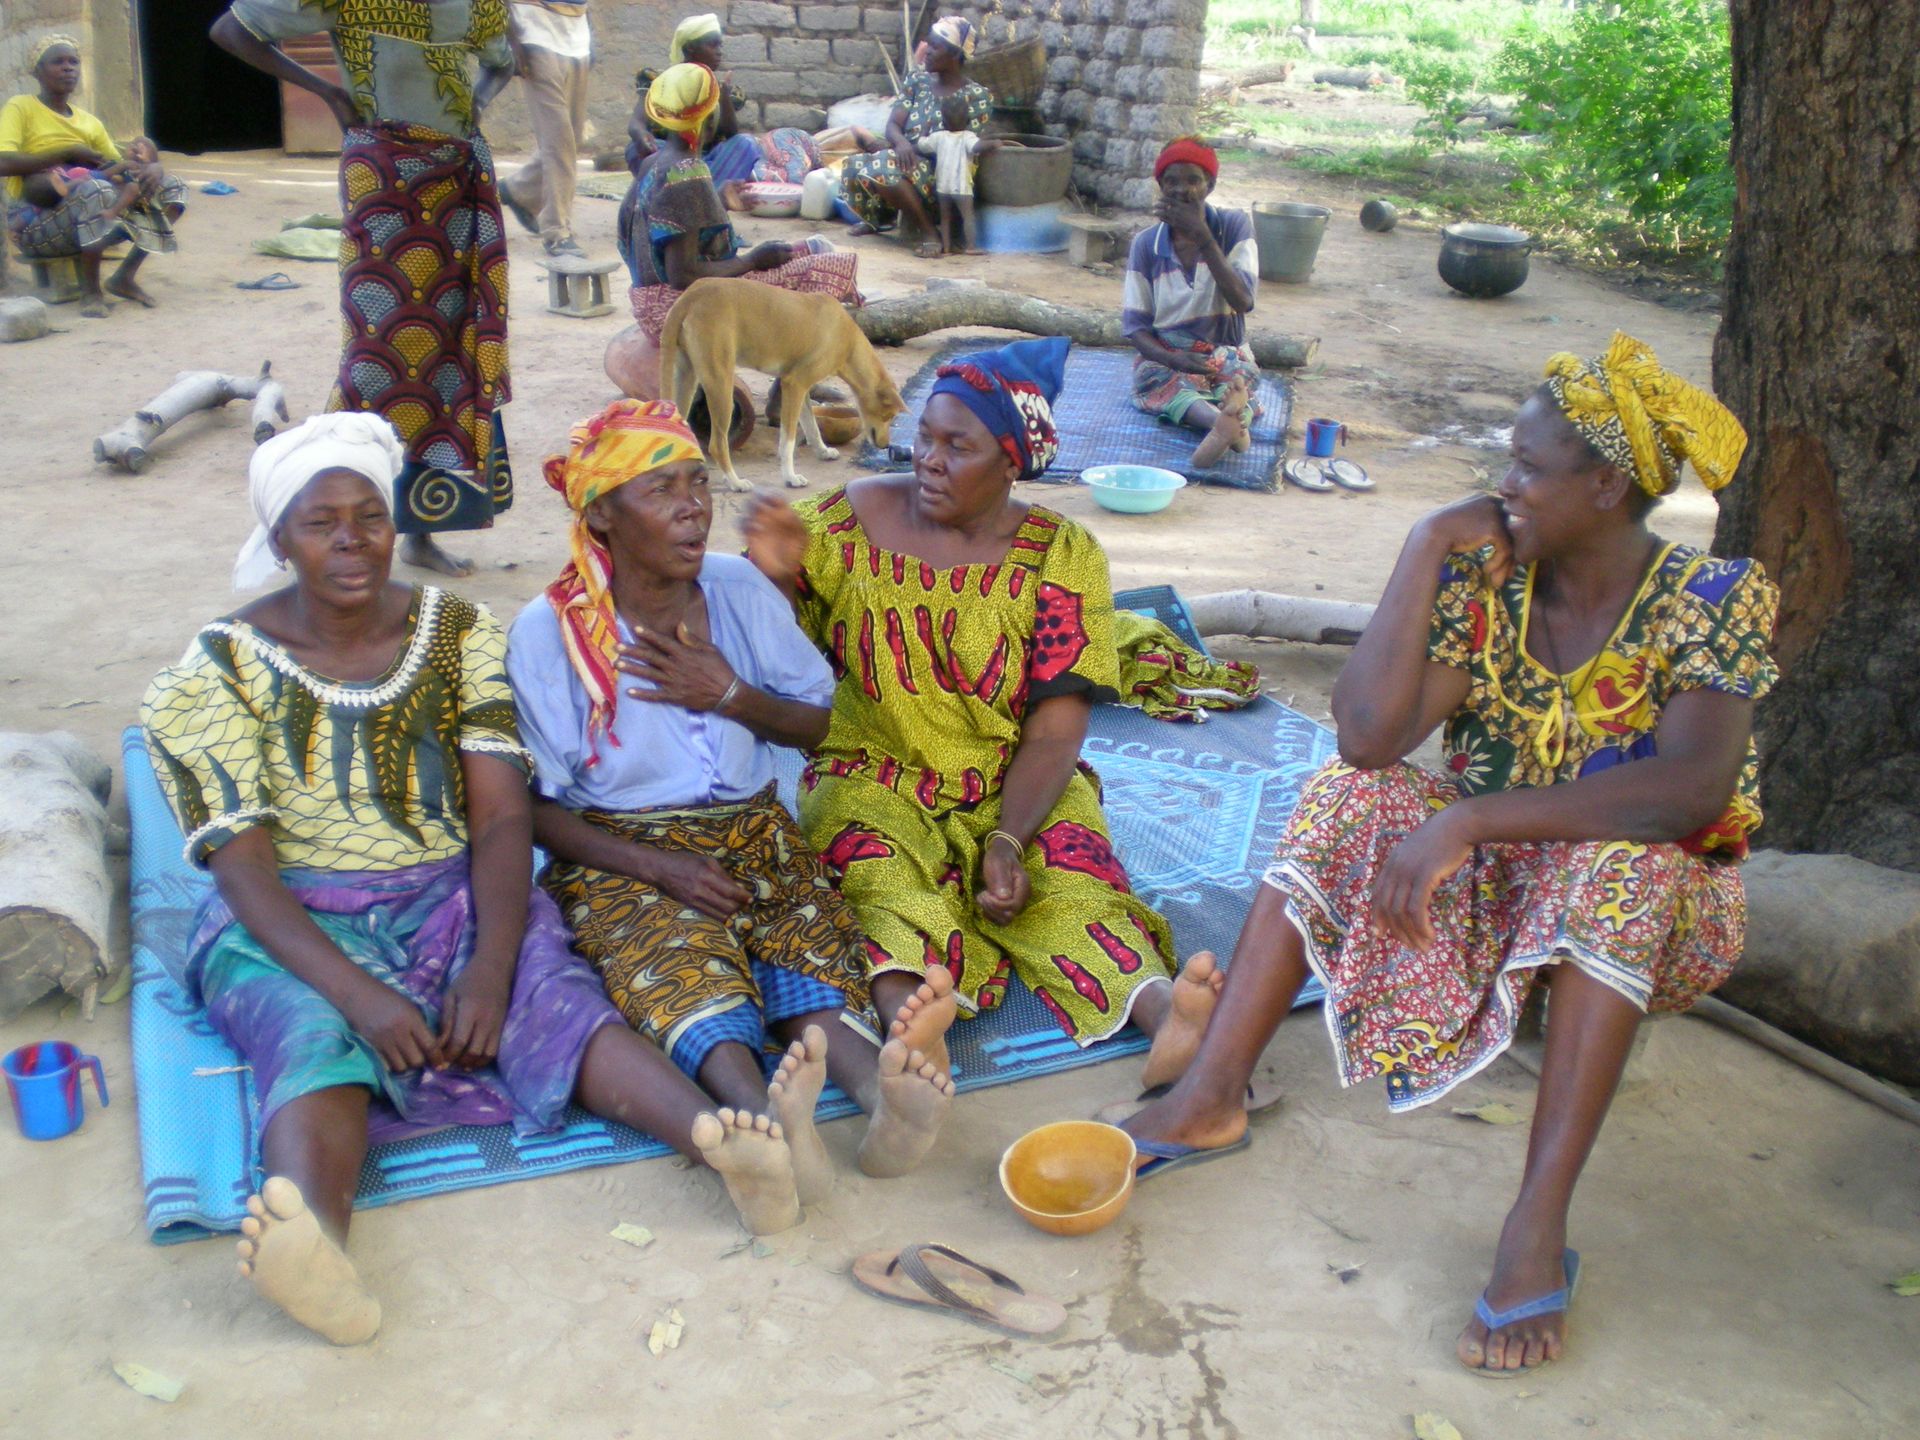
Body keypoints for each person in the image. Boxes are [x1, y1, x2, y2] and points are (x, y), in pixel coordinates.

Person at [1120, 334, 1777, 1377]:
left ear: (1606, 485)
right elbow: (1368, 740)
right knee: (1351, 794)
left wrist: (1468, 821)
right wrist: (1425, 546)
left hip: (1666, 906)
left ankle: (1533, 1227)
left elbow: (1688, 792)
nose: (1501, 487)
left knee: (1623, 865)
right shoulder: (1492, 585)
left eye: (1525, 467)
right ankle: (1209, 1096)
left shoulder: (1710, 600)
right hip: (1501, 890)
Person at [140, 416, 812, 1345]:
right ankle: (317, 1246)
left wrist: (492, 967)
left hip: (449, 891)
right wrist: (365, 998)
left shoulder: (453, 632)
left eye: (370, 518)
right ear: (280, 538)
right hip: (294, 915)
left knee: (558, 995)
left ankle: (720, 1141)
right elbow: (245, 871)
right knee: (307, 1036)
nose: (351, 542)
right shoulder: (219, 668)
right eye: (320, 523)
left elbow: (501, 817)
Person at [505, 400, 955, 1200]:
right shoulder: (550, 634)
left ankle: (878, 1097)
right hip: (623, 850)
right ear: (601, 514)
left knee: (805, 940)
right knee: (678, 964)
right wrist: (659, 867)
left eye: (698, 483)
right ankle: (765, 1123)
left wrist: (733, 695)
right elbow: (534, 809)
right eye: (662, 491)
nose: (693, 508)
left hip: (756, 829)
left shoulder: (740, 587)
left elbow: (821, 728)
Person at [742, 337, 1223, 1081]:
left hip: (1015, 776)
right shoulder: (835, 525)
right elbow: (765, 660)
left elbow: (1059, 724)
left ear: (1011, 462)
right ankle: (910, 1026)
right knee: (876, 884)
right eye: (924, 437)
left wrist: (1007, 837)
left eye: (955, 446)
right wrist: (769, 577)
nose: (927, 458)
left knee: (1075, 877)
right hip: (871, 774)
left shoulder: (1061, 555)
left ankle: (1168, 1018)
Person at [211, 0, 519, 581]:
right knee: (376, 358)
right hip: (382, 179)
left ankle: (420, 529)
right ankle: (328, 527)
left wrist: (478, 97)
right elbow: (233, 31)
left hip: (457, 181)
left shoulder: (477, 5)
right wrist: (325, 90)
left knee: (451, 353)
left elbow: (506, 60)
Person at [619, 63, 858, 346]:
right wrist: (752, 261)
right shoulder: (686, 173)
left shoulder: (653, 163)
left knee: (814, 247)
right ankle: (790, 383)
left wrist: (719, 201)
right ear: (710, 119)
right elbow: (682, 274)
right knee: (825, 269)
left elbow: (662, 227)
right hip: (674, 310)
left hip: (649, 302)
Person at [0, 36, 187, 318]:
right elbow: (3, 162)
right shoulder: (21, 107)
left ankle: (124, 276)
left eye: (73, 61)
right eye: (58, 62)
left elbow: (118, 165)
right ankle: (91, 291)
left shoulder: (90, 122)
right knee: (95, 189)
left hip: (94, 220)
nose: (68, 68)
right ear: (37, 71)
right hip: (35, 224)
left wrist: (155, 167)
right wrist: (66, 153)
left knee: (173, 188)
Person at [1121, 137, 1262, 471]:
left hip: (1224, 347)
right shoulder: (1146, 244)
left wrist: (1203, 237)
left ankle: (1226, 417)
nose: (1181, 190)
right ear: (1160, 187)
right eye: (1171, 181)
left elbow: (1242, 300)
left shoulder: (1232, 226)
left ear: (1210, 186)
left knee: (1236, 374)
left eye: (1193, 181)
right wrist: (1173, 357)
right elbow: (1136, 328)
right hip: (1171, 352)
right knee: (1153, 377)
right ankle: (1222, 423)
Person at [839, 16, 991, 259]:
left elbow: (966, 148)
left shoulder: (976, 96)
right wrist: (900, 143)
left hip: (942, 175)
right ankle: (880, 219)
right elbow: (893, 124)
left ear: (955, 55)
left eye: (935, 47)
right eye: (928, 44)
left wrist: (919, 151)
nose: (927, 52)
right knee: (855, 165)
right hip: (905, 158)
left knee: (882, 167)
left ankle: (930, 232)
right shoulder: (918, 81)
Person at [500, 0, 593, 258]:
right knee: (559, 139)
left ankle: (517, 188)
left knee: (571, 139)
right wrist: (513, 39)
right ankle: (556, 231)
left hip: (576, 35)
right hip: (534, 31)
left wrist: (589, 29)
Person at [915, 93, 1001, 256]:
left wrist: (924, 131)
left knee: (945, 218)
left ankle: (946, 248)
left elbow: (921, 145)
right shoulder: (967, 137)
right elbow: (977, 147)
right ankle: (971, 246)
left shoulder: (938, 137)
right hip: (961, 186)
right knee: (968, 217)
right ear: (968, 120)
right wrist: (994, 143)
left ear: (943, 121)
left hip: (943, 186)